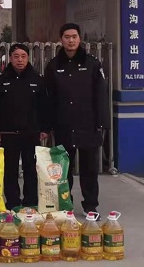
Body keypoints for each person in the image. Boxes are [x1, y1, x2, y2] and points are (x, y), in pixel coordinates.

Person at [44, 23, 110, 218]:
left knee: (89, 169)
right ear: (61, 40)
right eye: (67, 37)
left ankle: (90, 206)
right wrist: (48, 125)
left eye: (74, 36)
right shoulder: (53, 66)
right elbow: (48, 98)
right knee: (64, 169)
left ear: (80, 39)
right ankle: (66, 205)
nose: (70, 40)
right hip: (63, 125)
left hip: (88, 125)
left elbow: (101, 96)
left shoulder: (92, 64)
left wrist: (102, 124)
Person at [0, 43, 49, 210]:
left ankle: (30, 201)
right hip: (8, 132)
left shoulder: (37, 79)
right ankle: (13, 202)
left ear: (28, 58)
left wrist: (45, 128)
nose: (20, 60)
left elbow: (44, 106)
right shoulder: (0, 79)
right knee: (10, 169)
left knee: (31, 167)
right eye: (16, 56)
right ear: (10, 58)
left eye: (23, 56)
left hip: (31, 132)